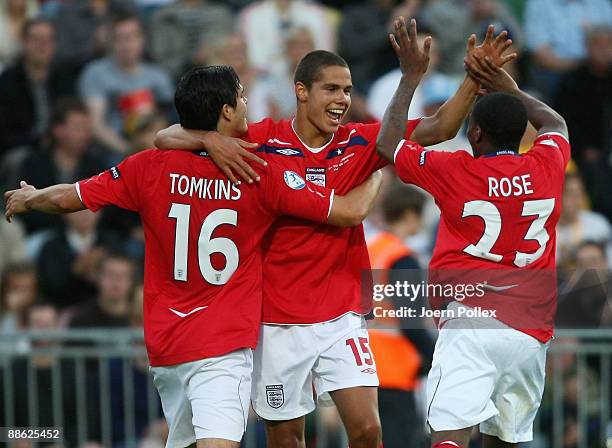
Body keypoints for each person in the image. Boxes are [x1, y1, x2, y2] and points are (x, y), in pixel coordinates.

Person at [154, 24, 515, 448]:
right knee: (287, 439)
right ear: (301, 91)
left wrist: (472, 78)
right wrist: (210, 140)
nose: (342, 99)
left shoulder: (358, 142)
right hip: (277, 320)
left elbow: (438, 128)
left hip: (341, 315)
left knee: (368, 430)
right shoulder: (262, 139)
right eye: (331, 89)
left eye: (347, 90)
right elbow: (165, 138)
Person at [4, 64, 383, 448]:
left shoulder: (147, 166)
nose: (247, 102)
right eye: (241, 97)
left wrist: (30, 197)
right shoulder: (257, 172)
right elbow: (345, 212)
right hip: (222, 344)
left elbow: (70, 197)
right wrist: (374, 177)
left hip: (168, 345)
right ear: (227, 112)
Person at [375, 17, 569, 447]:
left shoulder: (455, 169)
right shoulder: (548, 166)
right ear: (521, 134)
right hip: (530, 331)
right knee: (506, 439)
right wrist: (505, 85)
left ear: (475, 133)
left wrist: (410, 79)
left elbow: (387, 146)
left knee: (449, 435)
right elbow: (555, 124)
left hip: (471, 322)